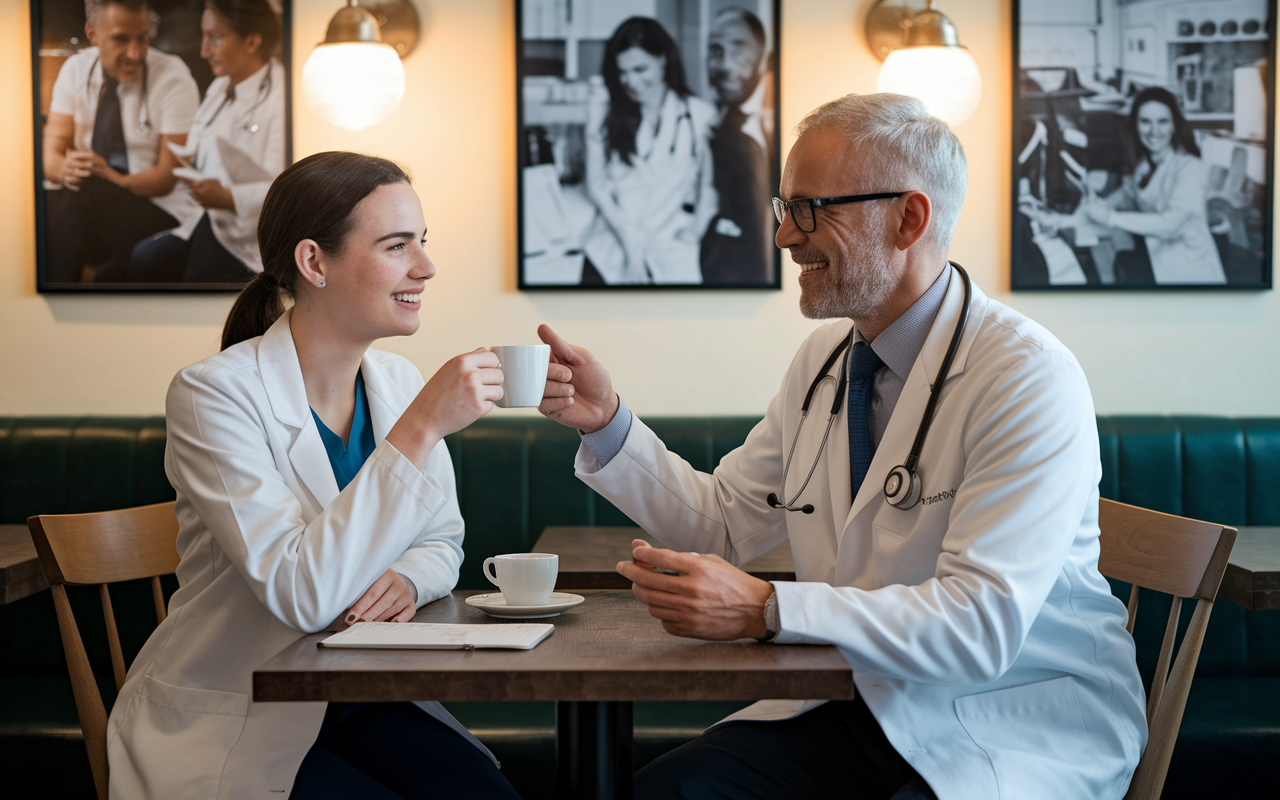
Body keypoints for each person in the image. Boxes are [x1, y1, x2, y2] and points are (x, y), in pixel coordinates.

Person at [538, 94, 1146, 799]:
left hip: (1012, 718)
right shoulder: (825, 361)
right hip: (858, 702)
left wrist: (771, 609)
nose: (786, 238)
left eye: (811, 209)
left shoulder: (1026, 377)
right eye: (784, 209)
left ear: (909, 218)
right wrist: (606, 421)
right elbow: (726, 527)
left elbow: (981, 628)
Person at [105, 152, 520, 799]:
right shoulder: (213, 394)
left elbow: (441, 543)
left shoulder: (397, 382)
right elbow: (302, 594)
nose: (426, 267)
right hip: (238, 706)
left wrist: (407, 577)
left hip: (358, 694)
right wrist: (422, 428)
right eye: (396, 245)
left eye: (423, 242)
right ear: (314, 262)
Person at [127, 0, 286, 283]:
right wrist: (182, 160)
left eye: (214, 38)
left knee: (191, 277)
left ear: (251, 41)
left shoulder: (281, 100)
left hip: (245, 241)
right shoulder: (220, 86)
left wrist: (228, 197)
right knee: (143, 257)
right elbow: (198, 142)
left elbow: (282, 190)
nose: (204, 51)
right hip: (207, 218)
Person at [43, 0, 200, 283]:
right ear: (92, 35)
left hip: (158, 204)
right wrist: (66, 167)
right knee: (59, 197)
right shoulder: (74, 70)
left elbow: (167, 177)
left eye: (143, 38)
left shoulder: (173, 77)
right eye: (121, 39)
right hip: (90, 202)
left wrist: (109, 177)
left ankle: (60, 293)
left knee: (78, 194)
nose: (135, 52)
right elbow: (50, 155)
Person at [582, 16, 717, 285]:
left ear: (663, 60)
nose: (630, 81)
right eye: (622, 72)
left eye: (640, 69)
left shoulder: (699, 116)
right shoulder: (606, 114)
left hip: (669, 249)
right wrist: (630, 243)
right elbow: (596, 185)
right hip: (610, 246)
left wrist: (695, 231)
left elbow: (710, 187)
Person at [1083, 86, 1226, 285]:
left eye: (1162, 122)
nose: (1154, 131)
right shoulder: (1143, 166)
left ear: (1174, 125)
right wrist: (1066, 218)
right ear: (1136, 125)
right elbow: (1122, 196)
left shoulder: (1191, 168)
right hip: (1155, 264)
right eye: (1145, 122)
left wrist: (1111, 217)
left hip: (1190, 273)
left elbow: (1170, 225)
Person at [699, 7, 774, 287]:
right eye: (716, 51)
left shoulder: (775, 120)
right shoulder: (714, 121)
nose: (726, 64)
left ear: (761, 56)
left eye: (739, 48)